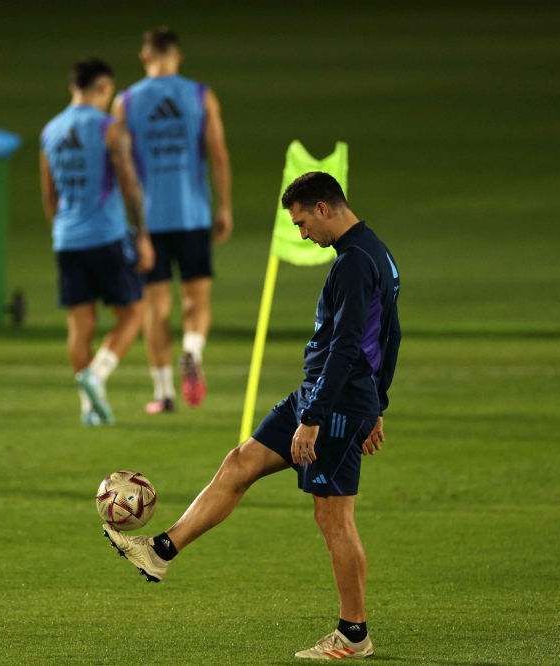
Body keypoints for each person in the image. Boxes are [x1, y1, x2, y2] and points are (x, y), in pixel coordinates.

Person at [104, 172, 401, 660]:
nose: (303, 234)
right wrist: (379, 403)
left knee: (333, 517)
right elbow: (391, 337)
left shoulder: (353, 262)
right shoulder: (379, 254)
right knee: (241, 461)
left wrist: (324, 417)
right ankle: (160, 552)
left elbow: (349, 346)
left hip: (334, 404)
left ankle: (353, 634)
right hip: (324, 396)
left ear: (324, 208)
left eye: (303, 222)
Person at [112, 26, 232, 413]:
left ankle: (163, 394)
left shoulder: (126, 102)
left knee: (156, 307)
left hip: (148, 222)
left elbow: (121, 165)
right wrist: (224, 206)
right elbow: (218, 154)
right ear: (178, 57)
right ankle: (192, 349)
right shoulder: (200, 95)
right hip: (192, 213)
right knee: (197, 299)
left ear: (145, 57)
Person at [40, 58, 155, 425]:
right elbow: (129, 185)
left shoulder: (51, 131)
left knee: (80, 324)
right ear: (104, 88)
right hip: (105, 235)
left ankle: (89, 409)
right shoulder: (109, 128)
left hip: (66, 239)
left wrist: (61, 231)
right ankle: (97, 375)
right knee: (133, 312)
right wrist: (143, 237)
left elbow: (49, 196)